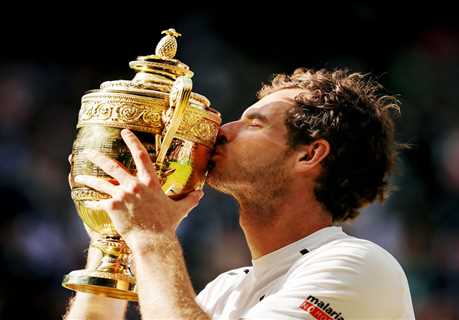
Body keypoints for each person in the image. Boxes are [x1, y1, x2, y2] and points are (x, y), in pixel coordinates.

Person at [64, 68, 415, 319]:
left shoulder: (358, 265)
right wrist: (111, 242)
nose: (223, 131)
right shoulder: (223, 292)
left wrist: (152, 234)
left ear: (309, 154)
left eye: (253, 123)